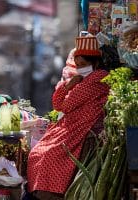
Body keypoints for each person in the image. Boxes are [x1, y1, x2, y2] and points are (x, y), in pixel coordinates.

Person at [26, 36, 110, 199]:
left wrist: (67, 85)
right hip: (71, 124)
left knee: (46, 154)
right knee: (37, 152)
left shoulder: (95, 79)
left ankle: (49, 192)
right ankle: (42, 191)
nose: (80, 69)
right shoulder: (90, 78)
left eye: (83, 65)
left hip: (79, 126)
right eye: (77, 65)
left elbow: (61, 105)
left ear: (96, 63)